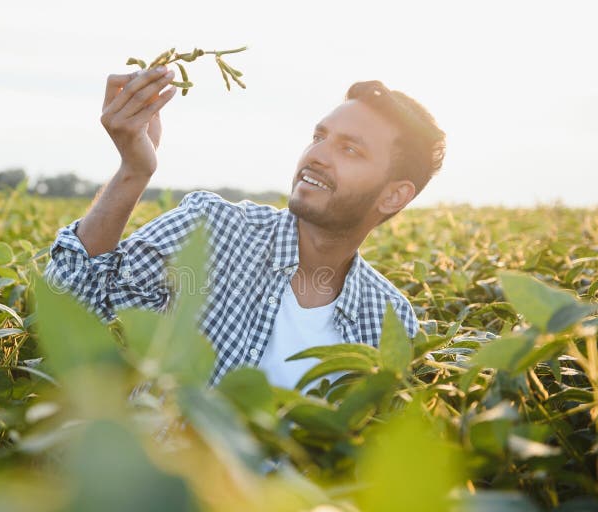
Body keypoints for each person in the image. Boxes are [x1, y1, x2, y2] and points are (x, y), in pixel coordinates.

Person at [44, 66, 445, 390]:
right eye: (318, 137)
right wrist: (133, 171)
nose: (318, 155)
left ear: (394, 196)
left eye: (350, 149)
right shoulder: (214, 229)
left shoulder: (389, 318)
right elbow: (70, 307)